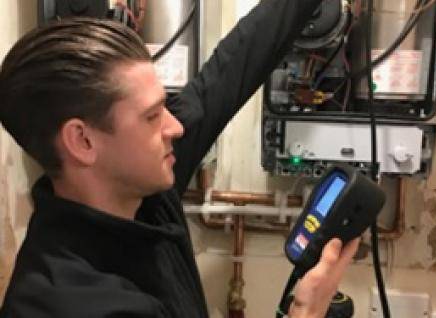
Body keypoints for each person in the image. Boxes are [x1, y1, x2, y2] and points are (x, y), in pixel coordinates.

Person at [0, 0, 360, 317]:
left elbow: (235, 64)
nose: (175, 126)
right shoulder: (66, 303)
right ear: (82, 140)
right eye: (152, 115)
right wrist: (306, 311)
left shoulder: (139, 192)